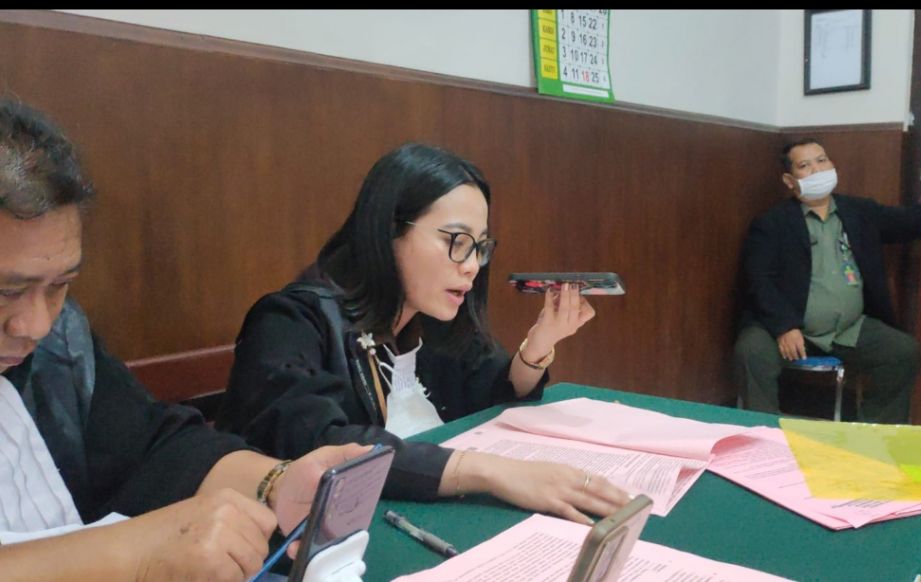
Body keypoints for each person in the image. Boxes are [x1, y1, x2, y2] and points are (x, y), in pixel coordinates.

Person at [0, 98, 370, 581]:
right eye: (7, 291)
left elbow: (155, 445)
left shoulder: (59, 343)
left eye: (59, 285)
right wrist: (133, 553)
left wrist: (275, 483)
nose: (35, 325)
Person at [217, 143, 630, 524]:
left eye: (480, 246)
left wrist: (540, 343)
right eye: (456, 241)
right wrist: (492, 471)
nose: (472, 265)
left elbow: (493, 389)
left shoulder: (430, 316)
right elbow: (324, 445)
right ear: (388, 231)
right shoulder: (289, 322)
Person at [734, 138, 921, 424]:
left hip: (848, 329)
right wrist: (784, 326)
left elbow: (917, 219)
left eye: (822, 160)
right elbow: (760, 280)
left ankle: (875, 433)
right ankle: (761, 432)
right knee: (751, 350)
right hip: (791, 328)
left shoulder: (859, 213)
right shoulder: (771, 223)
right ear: (789, 180)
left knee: (902, 352)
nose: (817, 170)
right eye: (805, 165)